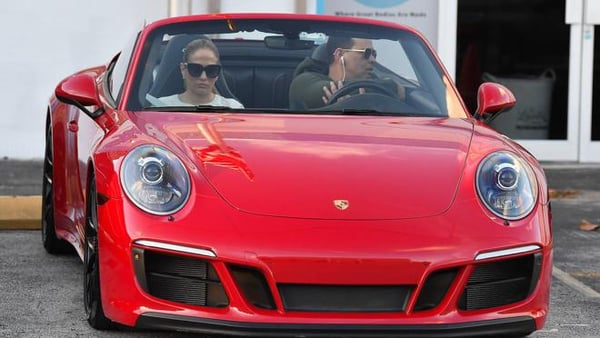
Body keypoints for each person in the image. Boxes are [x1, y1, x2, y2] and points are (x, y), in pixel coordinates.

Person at [289, 36, 378, 109]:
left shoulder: (376, 82)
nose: (372, 60)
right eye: (366, 53)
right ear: (340, 54)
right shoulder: (305, 82)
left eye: (374, 54)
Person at [158, 39, 244, 108]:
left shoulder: (233, 108)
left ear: (218, 74)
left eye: (211, 70)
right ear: (183, 69)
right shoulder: (160, 106)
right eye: (195, 69)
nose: (203, 77)